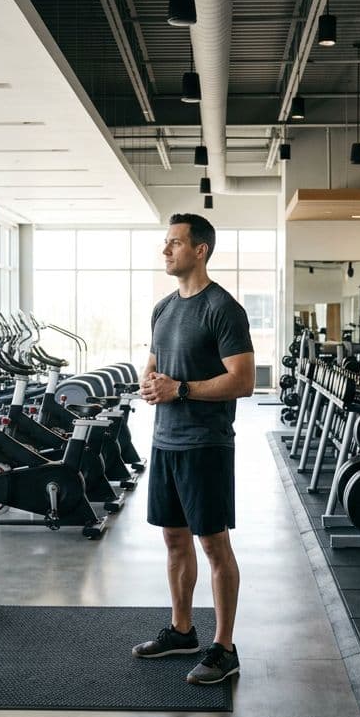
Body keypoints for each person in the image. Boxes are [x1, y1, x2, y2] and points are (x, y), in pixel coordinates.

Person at [132, 213, 254, 685]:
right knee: (174, 539)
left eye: (175, 243)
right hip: (165, 441)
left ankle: (225, 647)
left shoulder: (223, 309)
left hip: (206, 445)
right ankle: (182, 630)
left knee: (213, 544)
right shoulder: (163, 308)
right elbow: (153, 364)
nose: (166, 250)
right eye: (166, 243)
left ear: (199, 250)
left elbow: (243, 381)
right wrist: (149, 382)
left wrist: (180, 389)